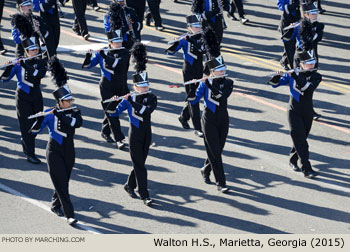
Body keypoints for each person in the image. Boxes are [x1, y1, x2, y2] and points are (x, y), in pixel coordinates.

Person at [30, 56, 82, 225]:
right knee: (61, 183)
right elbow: (34, 131)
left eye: (71, 100)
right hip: (53, 150)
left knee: (63, 181)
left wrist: (60, 114)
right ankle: (70, 214)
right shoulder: (49, 113)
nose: (71, 102)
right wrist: (39, 118)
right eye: (68, 101)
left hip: (69, 149)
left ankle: (55, 204)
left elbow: (75, 124)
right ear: (59, 102)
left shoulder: (74, 112)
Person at [109, 42, 157, 206]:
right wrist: (114, 102)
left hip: (147, 133)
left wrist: (132, 101)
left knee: (140, 163)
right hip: (134, 134)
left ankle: (129, 184)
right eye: (141, 86)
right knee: (140, 166)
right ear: (135, 86)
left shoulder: (151, 98)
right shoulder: (129, 99)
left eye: (146, 85)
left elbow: (145, 111)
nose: (144, 88)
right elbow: (113, 113)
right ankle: (144, 194)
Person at [189, 27, 233, 193]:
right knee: (215, 151)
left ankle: (206, 169)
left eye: (223, 69)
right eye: (219, 70)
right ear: (213, 71)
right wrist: (195, 85)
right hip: (208, 118)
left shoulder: (228, 83)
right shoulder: (204, 83)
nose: (223, 72)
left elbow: (221, 96)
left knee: (218, 149)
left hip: (223, 117)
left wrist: (208, 84)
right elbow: (194, 99)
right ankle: (221, 182)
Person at [268, 48, 321, 178]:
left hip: (307, 111)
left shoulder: (316, 76)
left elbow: (306, 89)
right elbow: (274, 84)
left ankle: (293, 159)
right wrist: (277, 75)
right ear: (301, 64)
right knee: (301, 140)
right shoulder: (292, 75)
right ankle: (306, 168)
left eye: (313, 62)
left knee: (301, 137)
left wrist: (295, 76)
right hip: (294, 111)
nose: (312, 65)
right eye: (308, 63)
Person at [0, 37, 46, 164]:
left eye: (36, 49)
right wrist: (9, 67)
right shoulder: (18, 63)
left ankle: (26, 140)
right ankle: (31, 154)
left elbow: (38, 75)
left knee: (38, 123)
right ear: (26, 51)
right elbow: (4, 79)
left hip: (36, 95)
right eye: (32, 50)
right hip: (22, 97)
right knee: (26, 126)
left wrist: (25, 65)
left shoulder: (41, 62)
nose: (35, 52)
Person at [82, 29, 129, 149]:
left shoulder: (125, 53)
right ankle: (119, 139)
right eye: (116, 42)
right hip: (106, 86)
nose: (119, 44)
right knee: (112, 111)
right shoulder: (102, 52)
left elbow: (116, 65)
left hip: (121, 85)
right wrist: (88, 56)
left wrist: (102, 54)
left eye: (120, 41)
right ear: (110, 42)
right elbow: (87, 66)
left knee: (112, 109)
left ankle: (105, 131)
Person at [166, 14, 204, 137]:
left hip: (199, 70)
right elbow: (169, 53)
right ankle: (198, 128)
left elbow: (203, 50)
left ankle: (183, 117)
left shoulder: (202, 37)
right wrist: (176, 42)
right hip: (188, 71)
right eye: (195, 26)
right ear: (189, 28)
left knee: (194, 95)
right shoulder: (184, 39)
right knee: (193, 98)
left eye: (199, 26)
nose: (198, 28)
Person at [297, 0, 324, 120]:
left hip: (312, 58)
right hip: (303, 60)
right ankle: (307, 111)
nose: (315, 16)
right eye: (312, 14)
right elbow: (305, 43)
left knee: (309, 88)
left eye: (316, 13)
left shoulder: (315, 25)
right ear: (305, 15)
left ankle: (306, 110)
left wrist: (317, 30)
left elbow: (318, 39)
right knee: (305, 88)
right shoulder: (301, 26)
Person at [277, 0, 301, 70]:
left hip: (297, 18)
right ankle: (292, 66)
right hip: (287, 20)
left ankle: (285, 60)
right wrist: (291, 6)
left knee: (299, 44)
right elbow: (280, 6)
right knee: (289, 44)